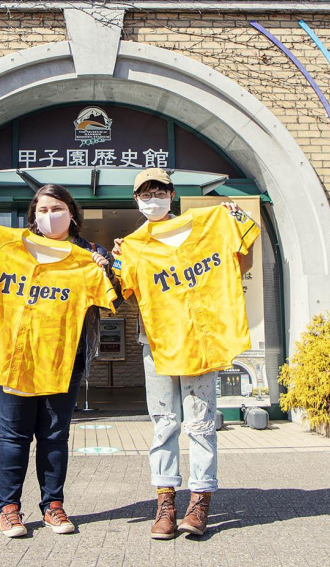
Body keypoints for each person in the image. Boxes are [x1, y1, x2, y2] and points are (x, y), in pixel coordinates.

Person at [0, 184, 118, 538]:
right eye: (43, 209)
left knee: (54, 434)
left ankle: (53, 504)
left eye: (57, 208)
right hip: (10, 352)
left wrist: (105, 270)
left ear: (72, 213)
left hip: (65, 355)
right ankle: (9, 509)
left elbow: (114, 300)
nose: (50, 216)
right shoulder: (9, 244)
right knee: (13, 433)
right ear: (33, 215)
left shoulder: (89, 254)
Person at [112, 168, 250, 540]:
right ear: (136, 200)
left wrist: (236, 219)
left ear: (172, 194)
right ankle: (165, 503)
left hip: (200, 342)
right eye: (144, 193)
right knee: (164, 424)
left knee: (202, 424)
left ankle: (201, 500)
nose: (151, 197)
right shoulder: (133, 245)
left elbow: (243, 261)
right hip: (156, 345)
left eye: (158, 190)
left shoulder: (209, 225)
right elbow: (119, 293)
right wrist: (113, 262)